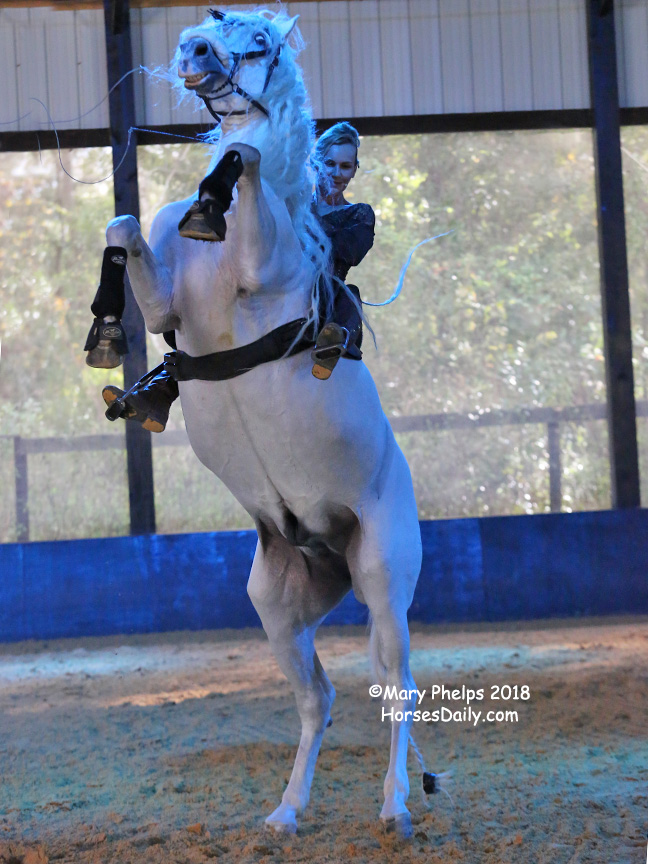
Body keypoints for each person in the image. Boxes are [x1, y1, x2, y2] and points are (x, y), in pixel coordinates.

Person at [85, 122, 374, 430]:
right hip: (281, 287)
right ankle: (160, 390)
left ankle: (333, 341)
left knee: (346, 294)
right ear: (316, 162)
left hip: (318, 290)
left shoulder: (358, 213)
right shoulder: (290, 205)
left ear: (355, 169)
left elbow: (346, 251)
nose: (337, 173)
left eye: (345, 166)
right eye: (330, 163)